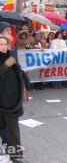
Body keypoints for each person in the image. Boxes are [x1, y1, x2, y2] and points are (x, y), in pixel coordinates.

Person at [0, 35, 29, 163]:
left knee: (14, 133)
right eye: (0, 44)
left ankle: (16, 157)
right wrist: (6, 65)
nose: (3, 46)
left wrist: (24, 86)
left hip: (12, 103)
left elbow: (19, 75)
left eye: (5, 44)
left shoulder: (12, 59)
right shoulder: (8, 61)